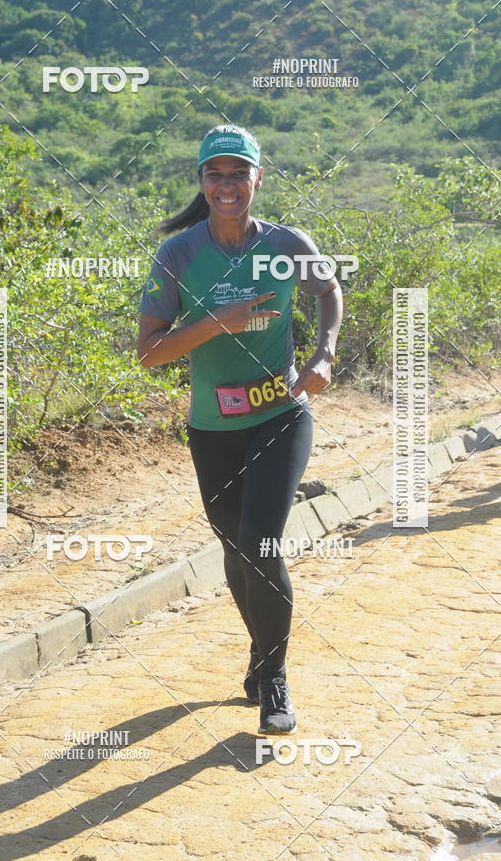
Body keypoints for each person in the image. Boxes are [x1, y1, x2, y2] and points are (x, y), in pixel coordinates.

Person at [137, 124, 343, 734]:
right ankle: (260, 649)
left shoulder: (287, 243)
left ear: (259, 176)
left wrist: (324, 353)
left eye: (238, 173)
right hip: (212, 428)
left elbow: (328, 289)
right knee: (236, 548)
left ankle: (274, 679)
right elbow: (149, 352)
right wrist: (217, 322)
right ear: (202, 183)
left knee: (261, 542)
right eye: (215, 174)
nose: (227, 185)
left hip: (280, 414)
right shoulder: (179, 254)